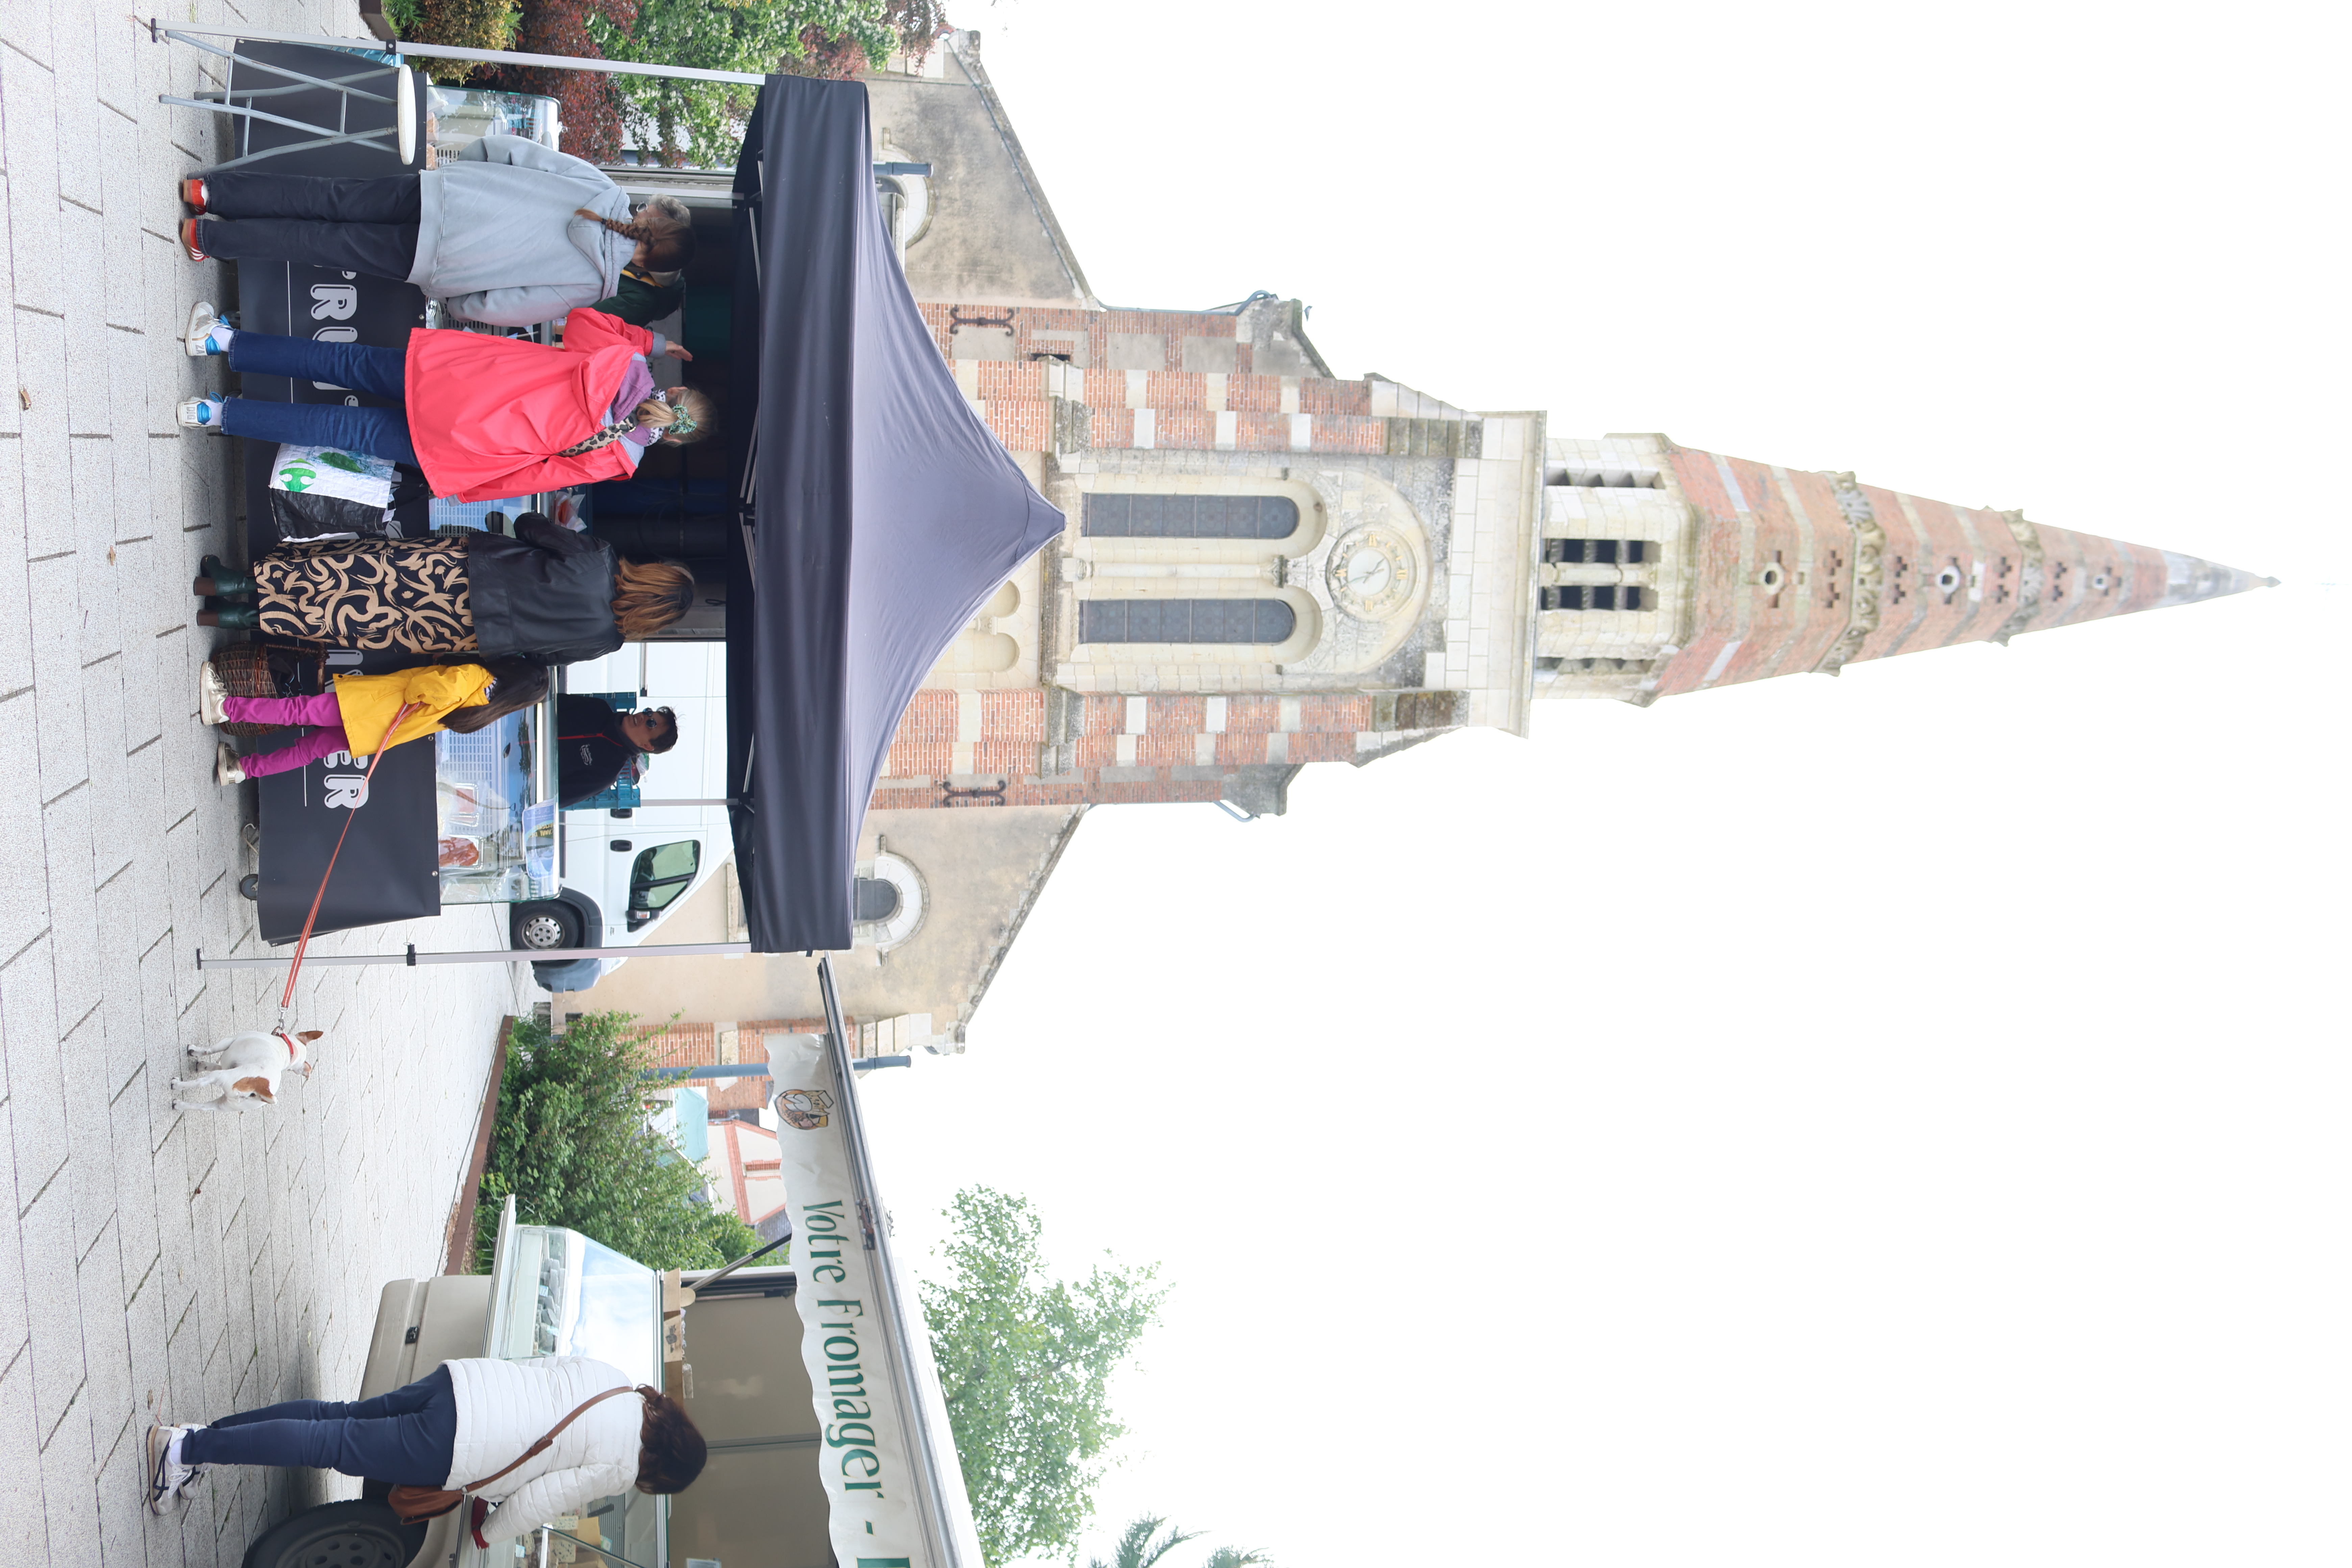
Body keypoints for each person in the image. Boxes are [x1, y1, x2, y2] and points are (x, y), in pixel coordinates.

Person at [175, 306, 714, 503]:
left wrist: (647, 342)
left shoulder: (624, 361)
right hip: (465, 447)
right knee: (340, 430)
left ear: (674, 390)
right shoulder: (618, 460)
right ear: (672, 438)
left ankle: (220, 342)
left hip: (456, 377)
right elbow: (536, 480)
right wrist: (469, 488)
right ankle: (212, 414)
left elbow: (577, 321)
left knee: (344, 365)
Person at [143, 1356, 707, 1538]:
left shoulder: (622, 1384)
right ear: (664, 1471)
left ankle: (198, 1438)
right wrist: (490, 1532)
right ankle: (183, 1451)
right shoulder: (620, 1466)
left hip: (461, 1384)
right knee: (327, 1442)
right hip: (459, 1445)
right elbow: (542, 1500)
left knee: (336, 1419)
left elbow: (541, 1376)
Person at [176, 142, 695, 328]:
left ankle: (209, 192)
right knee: (319, 245)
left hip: (444, 195)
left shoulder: (599, 186)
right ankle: (206, 237)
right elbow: (502, 308)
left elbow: (512, 151)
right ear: (648, 267)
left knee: (328, 196)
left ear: (652, 213)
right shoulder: (594, 286)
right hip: (439, 259)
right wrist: (455, 299)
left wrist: (463, 176)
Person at [189, 511, 694, 665]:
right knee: (351, 618)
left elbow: (528, 526)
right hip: (457, 632)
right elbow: (541, 658)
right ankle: (234, 620)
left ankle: (232, 583)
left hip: (454, 572)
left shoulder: (598, 559)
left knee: (346, 573)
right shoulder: (606, 641)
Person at [199, 656, 549, 786]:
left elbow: (424, 688)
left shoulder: (476, 677)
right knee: (308, 751)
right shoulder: (486, 710)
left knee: (298, 711)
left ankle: (226, 708)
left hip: (369, 707)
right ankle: (242, 770)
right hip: (375, 733)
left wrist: (416, 690)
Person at [557, 693, 679, 806]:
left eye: (651, 724)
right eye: (649, 713)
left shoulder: (606, 774)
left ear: (647, 746)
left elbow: (555, 797)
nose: (644, 717)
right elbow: (551, 703)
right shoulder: (598, 708)